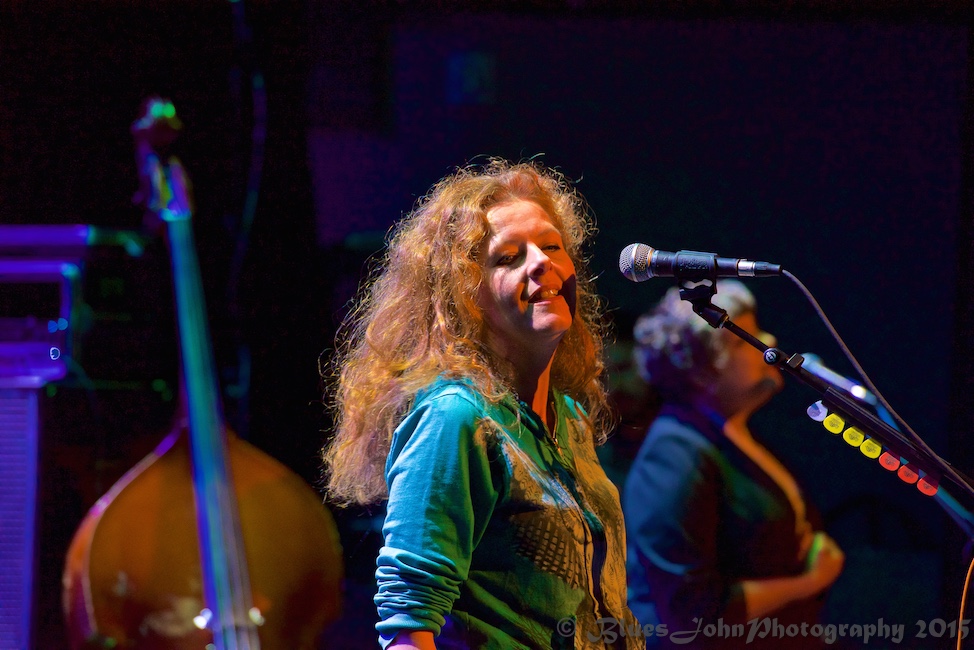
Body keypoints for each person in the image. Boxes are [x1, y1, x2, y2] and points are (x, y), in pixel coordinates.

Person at [322, 159, 641, 649]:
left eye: (552, 246)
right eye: (508, 257)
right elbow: (408, 628)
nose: (541, 262)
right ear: (465, 296)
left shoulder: (567, 417)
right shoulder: (456, 417)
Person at [622, 281, 844, 648]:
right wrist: (810, 581)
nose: (768, 341)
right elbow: (691, 613)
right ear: (703, 370)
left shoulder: (730, 432)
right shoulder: (675, 455)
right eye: (744, 340)